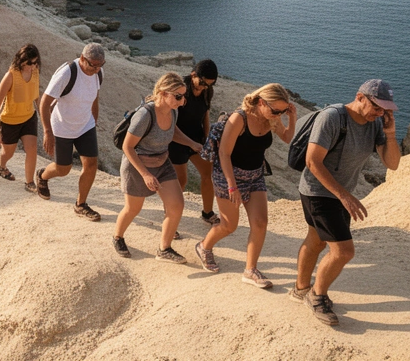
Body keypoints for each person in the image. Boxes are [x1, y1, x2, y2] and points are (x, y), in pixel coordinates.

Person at [293, 79, 401, 326]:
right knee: (343, 251)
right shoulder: (332, 118)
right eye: (377, 107)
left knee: (316, 240)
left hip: (340, 193)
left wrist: (391, 134)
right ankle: (316, 296)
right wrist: (344, 196)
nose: (380, 113)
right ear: (360, 97)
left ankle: (300, 289)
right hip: (318, 191)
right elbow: (312, 162)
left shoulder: (375, 124)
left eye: (385, 109)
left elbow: (393, 164)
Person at [195, 84, 297, 288]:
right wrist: (232, 186)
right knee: (229, 225)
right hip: (228, 176)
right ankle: (204, 246)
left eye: (282, 111)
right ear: (261, 102)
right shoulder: (239, 119)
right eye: (275, 110)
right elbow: (224, 154)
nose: (278, 115)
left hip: (255, 175)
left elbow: (287, 138)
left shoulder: (272, 118)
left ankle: (250, 270)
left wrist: (291, 117)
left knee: (260, 223)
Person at [113, 72, 205, 263]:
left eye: (184, 96)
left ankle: (164, 249)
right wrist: (145, 174)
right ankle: (118, 237)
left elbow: (172, 132)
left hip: (162, 162)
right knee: (132, 209)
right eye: (178, 96)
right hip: (137, 166)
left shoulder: (173, 110)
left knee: (177, 205)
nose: (182, 101)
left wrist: (192, 144)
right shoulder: (145, 115)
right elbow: (127, 147)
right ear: (163, 93)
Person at [35, 43, 106, 220]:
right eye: (93, 65)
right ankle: (42, 175)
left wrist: (94, 120)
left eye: (100, 65)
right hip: (62, 127)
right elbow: (44, 102)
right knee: (63, 169)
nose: (97, 69)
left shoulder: (98, 73)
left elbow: (94, 98)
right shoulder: (67, 73)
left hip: (85, 125)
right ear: (82, 58)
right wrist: (47, 132)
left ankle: (80, 204)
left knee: (91, 165)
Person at [0, 44, 41, 192]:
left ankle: (29, 182)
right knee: (8, 153)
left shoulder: (35, 72)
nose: (33, 66)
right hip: (10, 121)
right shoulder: (10, 76)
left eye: (35, 62)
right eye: (29, 63)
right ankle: (1, 165)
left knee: (32, 149)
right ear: (21, 61)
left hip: (29, 117)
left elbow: (37, 97)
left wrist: (44, 115)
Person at [173, 59, 221, 226]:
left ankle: (208, 213)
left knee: (208, 174)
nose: (204, 87)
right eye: (202, 83)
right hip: (177, 140)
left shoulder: (207, 91)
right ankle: (171, 219)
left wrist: (208, 139)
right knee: (181, 181)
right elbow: (170, 121)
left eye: (209, 85)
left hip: (197, 139)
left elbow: (205, 114)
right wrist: (188, 142)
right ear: (193, 74)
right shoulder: (180, 89)